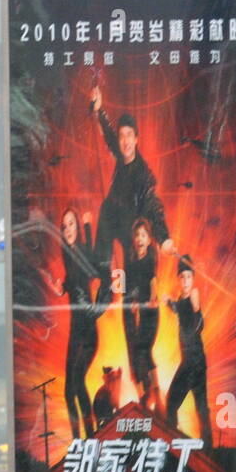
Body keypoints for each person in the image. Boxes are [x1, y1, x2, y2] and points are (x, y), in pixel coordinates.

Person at [89, 84, 173, 310]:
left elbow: (153, 205)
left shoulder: (144, 174)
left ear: (137, 139)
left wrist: (164, 237)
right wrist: (99, 110)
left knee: (133, 291)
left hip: (134, 231)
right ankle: (105, 282)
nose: (125, 141)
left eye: (129, 136)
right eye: (122, 136)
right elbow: (108, 136)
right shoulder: (121, 155)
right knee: (107, 209)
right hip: (115, 220)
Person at [55, 209, 104, 440]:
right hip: (76, 330)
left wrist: (87, 227)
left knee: (77, 383)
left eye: (71, 224)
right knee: (68, 390)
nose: (68, 230)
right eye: (65, 227)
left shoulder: (81, 250)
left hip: (87, 330)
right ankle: (78, 442)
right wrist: (62, 287)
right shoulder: (68, 252)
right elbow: (72, 278)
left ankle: (91, 439)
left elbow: (92, 264)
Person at [166, 255, 212, 442]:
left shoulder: (193, 297)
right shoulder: (181, 300)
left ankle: (177, 445)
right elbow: (178, 308)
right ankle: (202, 446)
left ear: (193, 279)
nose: (185, 281)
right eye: (182, 277)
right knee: (201, 407)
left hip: (193, 363)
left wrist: (197, 309)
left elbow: (198, 326)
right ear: (178, 279)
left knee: (172, 404)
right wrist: (169, 302)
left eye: (189, 277)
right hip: (196, 361)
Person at [121, 217, 162, 414]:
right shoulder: (131, 260)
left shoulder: (150, 258)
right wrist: (133, 301)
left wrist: (152, 299)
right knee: (137, 354)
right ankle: (145, 395)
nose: (139, 239)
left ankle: (156, 391)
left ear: (149, 239)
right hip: (138, 311)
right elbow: (130, 286)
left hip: (151, 312)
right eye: (137, 235)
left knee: (144, 350)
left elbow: (153, 281)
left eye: (143, 235)